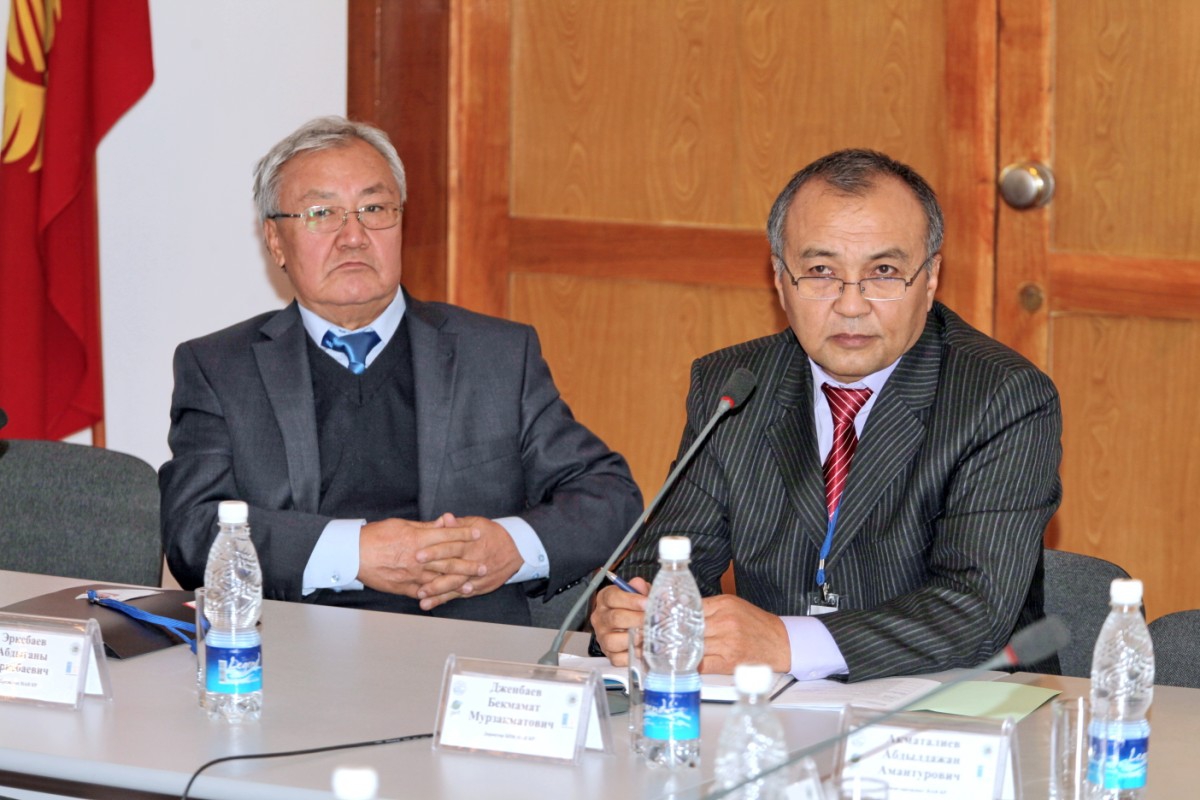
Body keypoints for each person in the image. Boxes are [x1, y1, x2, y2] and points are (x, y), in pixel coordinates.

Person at [592, 149, 1062, 681]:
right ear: (779, 278)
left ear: (930, 278)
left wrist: (787, 643)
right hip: (773, 705)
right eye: (821, 272)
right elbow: (669, 557)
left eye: (884, 272)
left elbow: (975, 610)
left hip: (956, 704)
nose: (851, 305)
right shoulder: (734, 387)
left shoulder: (1002, 396)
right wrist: (634, 608)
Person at [160, 116, 641, 625]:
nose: (353, 236)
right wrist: (355, 553)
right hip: (294, 648)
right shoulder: (220, 368)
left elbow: (610, 495)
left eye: (374, 209)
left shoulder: (496, 355)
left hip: (465, 648)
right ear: (276, 241)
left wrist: (511, 546)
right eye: (322, 213)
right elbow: (193, 532)